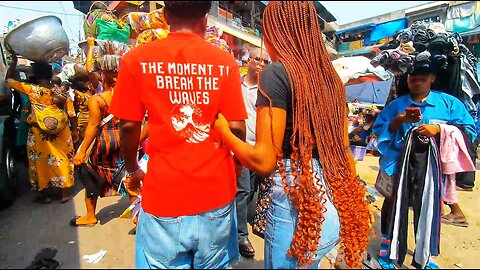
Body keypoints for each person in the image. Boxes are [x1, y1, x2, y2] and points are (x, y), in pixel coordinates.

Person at [213, 2, 372, 269]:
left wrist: (224, 132)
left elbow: (265, 161)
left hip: (297, 213)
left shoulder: (277, 72)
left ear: (276, 31)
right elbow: (343, 151)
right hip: (329, 210)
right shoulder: (330, 79)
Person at [110, 1, 247, 268]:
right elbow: (238, 128)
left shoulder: (136, 59)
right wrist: (236, 166)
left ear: (164, 16)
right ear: (206, 19)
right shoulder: (225, 63)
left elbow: (128, 126)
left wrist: (132, 169)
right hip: (216, 195)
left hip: (164, 196)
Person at [372, 62, 476, 269]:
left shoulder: (449, 103)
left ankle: (425, 253)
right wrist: (399, 120)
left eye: (422, 79)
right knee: (392, 203)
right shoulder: (397, 105)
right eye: (413, 80)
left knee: (428, 205)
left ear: (432, 79)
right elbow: (379, 132)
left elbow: (469, 130)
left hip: (431, 166)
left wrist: (439, 129)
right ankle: (388, 246)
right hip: (397, 163)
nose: (417, 83)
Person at [71, 38, 130, 227]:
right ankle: (139, 216)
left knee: (89, 172)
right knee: (125, 173)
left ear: (106, 75)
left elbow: (93, 126)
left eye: (102, 72)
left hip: (103, 141)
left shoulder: (97, 100)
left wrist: (81, 150)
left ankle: (90, 215)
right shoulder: (131, 95)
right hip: (124, 140)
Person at [6, 55, 74, 204]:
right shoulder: (60, 91)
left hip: (39, 132)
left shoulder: (33, 90)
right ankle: (64, 194)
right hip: (61, 131)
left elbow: (9, 81)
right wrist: (74, 131)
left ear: (35, 75)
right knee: (61, 158)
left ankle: (46, 195)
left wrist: (13, 63)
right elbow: (70, 113)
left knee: (41, 161)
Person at [235, 46, 269, 258]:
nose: (261, 63)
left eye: (265, 61)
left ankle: (237, 222)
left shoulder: (268, 89)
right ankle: (240, 235)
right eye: (257, 59)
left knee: (252, 191)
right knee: (243, 190)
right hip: (242, 146)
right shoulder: (235, 86)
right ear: (248, 61)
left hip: (262, 147)